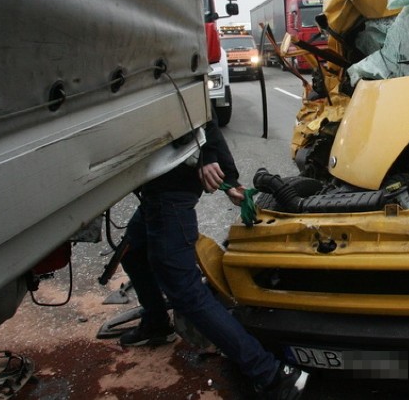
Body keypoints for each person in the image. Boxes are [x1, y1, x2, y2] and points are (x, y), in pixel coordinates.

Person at [119, 107, 308, 399]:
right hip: (156, 192)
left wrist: (209, 157)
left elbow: (197, 107)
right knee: (133, 252)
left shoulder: (165, 76)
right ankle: (156, 323)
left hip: (169, 195)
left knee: (186, 292)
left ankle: (271, 374)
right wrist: (228, 179)